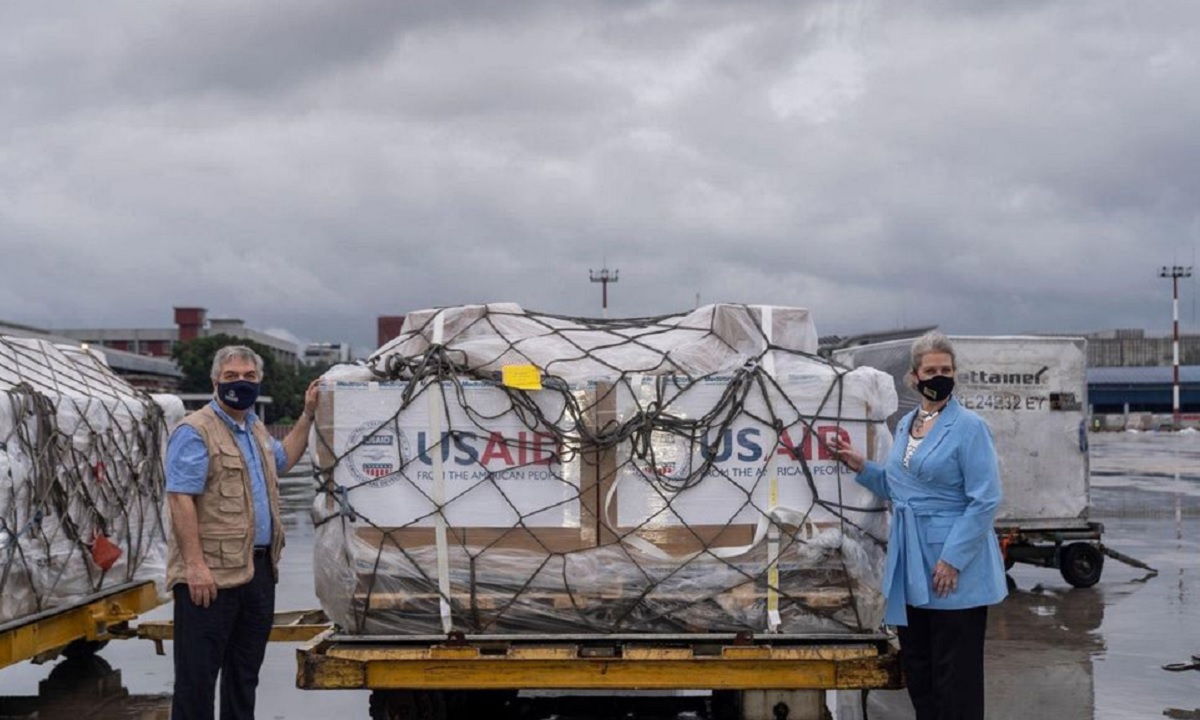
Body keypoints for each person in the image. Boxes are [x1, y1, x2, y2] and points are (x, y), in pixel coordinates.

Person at [828, 331, 1007, 720]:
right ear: (914, 377)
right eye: (931, 371)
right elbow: (900, 487)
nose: (939, 377)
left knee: (954, 678)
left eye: (946, 370)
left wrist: (953, 559)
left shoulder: (970, 427)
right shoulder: (907, 424)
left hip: (952, 565)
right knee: (920, 671)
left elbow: (985, 499)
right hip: (911, 562)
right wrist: (862, 466)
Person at [165, 345, 319, 720]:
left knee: (244, 676)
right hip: (211, 577)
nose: (241, 383)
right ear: (215, 381)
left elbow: (283, 459)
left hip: (258, 572)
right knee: (197, 680)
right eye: (231, 376)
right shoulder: (195, 430)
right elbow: (180, 498)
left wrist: (307, 415)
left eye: (249, 376)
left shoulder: (254, 428)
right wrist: (194, 566)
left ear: (259, 380)